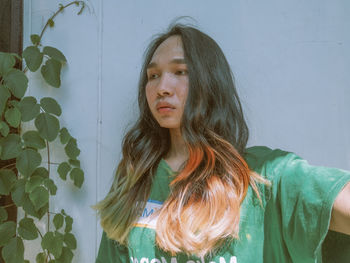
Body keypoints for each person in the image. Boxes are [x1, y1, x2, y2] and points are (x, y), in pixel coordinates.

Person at [94, 23, 350, 263]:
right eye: (153, 75)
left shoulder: (266, 177)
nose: (162, 87)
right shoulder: (134, 180)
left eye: (180, 72)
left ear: (210, 82)